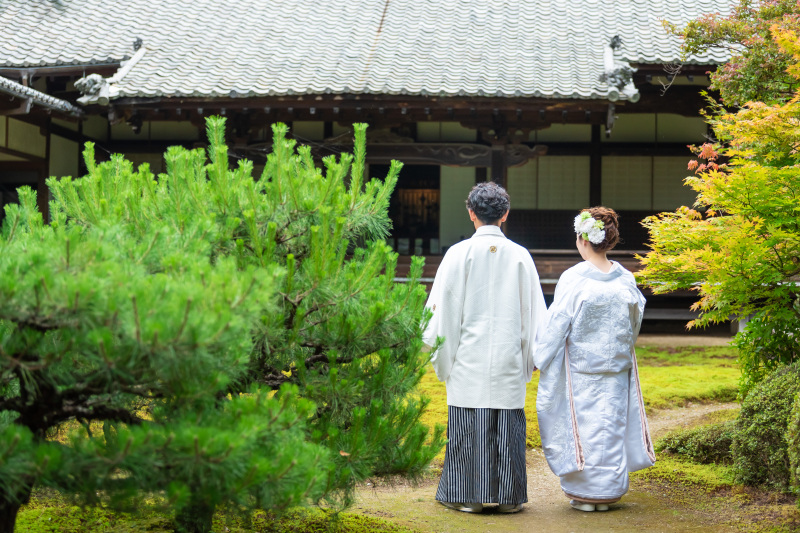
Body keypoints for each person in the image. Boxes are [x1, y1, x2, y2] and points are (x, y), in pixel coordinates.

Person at [422, 181, 547, 514]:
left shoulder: (457, 254)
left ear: (471, 214)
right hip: (507, 354)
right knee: (507, 426)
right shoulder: (521, 256)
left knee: (467, 425)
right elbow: (534, 314)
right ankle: (508, 498)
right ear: (505, 214)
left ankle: (468, 497)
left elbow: (441, 313)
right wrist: (531, 356)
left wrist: (442, 356)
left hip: (467, 357)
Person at [534, 207, 655, 512]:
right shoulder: (626, 279)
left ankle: (585, 494)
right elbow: (634, 323)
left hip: (582, 369)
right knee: (610, 427)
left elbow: (557, 324)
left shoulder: (574, 278)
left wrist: (540, 357)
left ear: (583, 240)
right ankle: (609, 492)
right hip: (615, 367)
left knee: (583, 428)